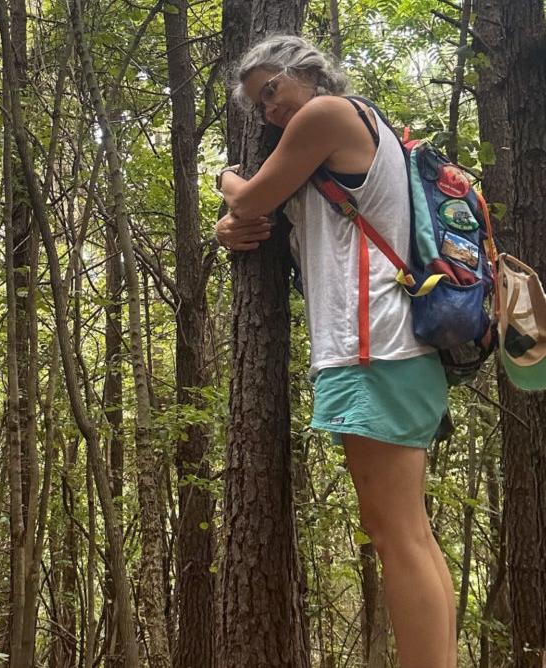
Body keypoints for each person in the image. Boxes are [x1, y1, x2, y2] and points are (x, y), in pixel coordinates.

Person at [215, 35, 456, 668]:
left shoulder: (328, 114)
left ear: (308, 72)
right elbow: (259, 218)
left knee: (395, 532)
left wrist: (225, 183)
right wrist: (232, 221)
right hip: (387, 349)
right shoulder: (340, 143)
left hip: (374, 347)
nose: (269, 111)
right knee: (409, 533)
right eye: (258, 106)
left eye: (272, 90)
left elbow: (248, 197)